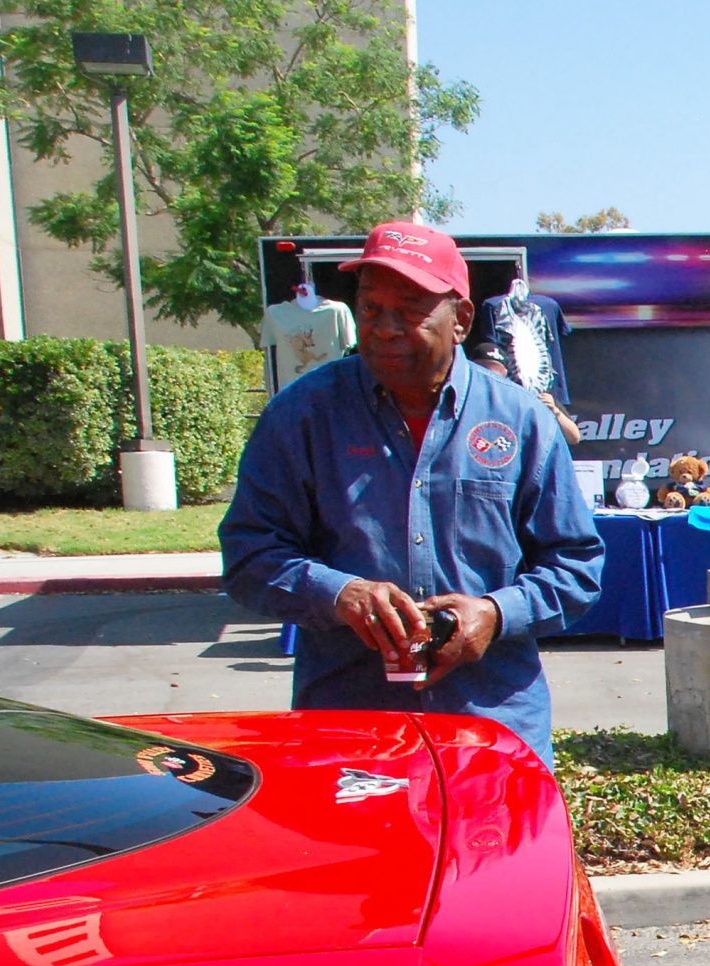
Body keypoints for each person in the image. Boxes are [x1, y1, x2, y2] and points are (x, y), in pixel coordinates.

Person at [221, 223, 602, 769]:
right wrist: (339, 593)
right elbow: (249, 555)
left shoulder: (520, 421)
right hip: (349, 731)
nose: (385, 328)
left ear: (461, 320)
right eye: (371, 308)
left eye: (410, 308)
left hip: (491, 730)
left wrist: (494, 614)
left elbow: (577, 566)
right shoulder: (301, 417)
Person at [469, 340, 583, 447]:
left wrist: (554, 410)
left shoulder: (526, 397)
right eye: (484, 370)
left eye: (496, 371)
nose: (491, 376)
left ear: (505, 373)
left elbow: (574, 438)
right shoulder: (462, 397)